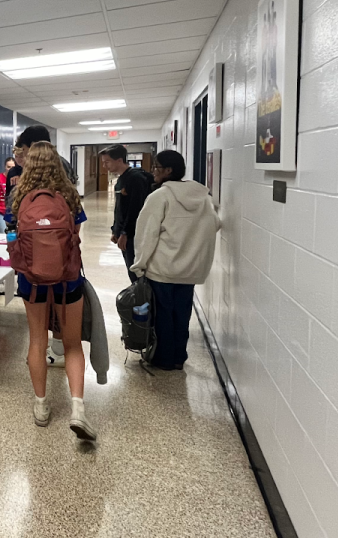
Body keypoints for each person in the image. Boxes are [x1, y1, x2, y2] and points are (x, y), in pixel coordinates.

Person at [11, 142, 95, 441]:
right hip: (67, 280)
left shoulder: (18, 197)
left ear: (29, 164)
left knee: (36, 340)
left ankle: (42, 406)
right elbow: (75, 238)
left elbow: (15, 237)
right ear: (58, 164)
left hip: (31, 282)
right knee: (71, 344)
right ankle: (77, 409)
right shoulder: (70, 196)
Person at [130, 150, 221, 371]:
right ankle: (179, 356)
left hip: (163, 269)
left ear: (168, 170)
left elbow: (146, 235)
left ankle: (164, 358)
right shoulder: (203, 197)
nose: (153, 172)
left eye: (157, 167)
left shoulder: (159, 197)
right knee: (182, 315)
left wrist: (139, 264)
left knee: (162, 315)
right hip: (190, 271)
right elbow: (215, 224)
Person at [8, 125, 77, 367]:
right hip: (64, 259)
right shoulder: (65, 180)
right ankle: (57, 349)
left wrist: (14, 250)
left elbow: (12, 225)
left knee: (38, 329)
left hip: (32, 262)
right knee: (62, 311)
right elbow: (75, 223)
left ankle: (44, 356)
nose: (22, 157)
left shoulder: (22, 189)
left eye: (25, 151)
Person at [99, 145, 153, 283]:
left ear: (119, 160)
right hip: (123, 233)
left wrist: (125, 233)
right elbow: (120, 209)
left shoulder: (135, 178)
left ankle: (143, 300)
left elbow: (136, 209)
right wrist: (115, 230)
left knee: (135, 270)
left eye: (107, 162)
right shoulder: (120, 180)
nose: (104, 166)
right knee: (130, 269)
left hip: (134, 235)